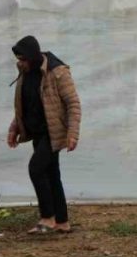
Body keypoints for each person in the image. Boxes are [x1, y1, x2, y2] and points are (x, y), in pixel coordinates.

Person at [7, 35, 81, 235]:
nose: (20, 63)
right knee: (51, 174)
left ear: (32, 56)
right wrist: (14, 128)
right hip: (37, 130)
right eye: (18, 59)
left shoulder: (57, 72)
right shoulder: (26, 73)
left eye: (23, 59)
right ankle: (62, 222)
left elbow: (73, 104)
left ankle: (48, 218)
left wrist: (73, 133)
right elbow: (24, 105)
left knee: (36, 168)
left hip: (54, 131)